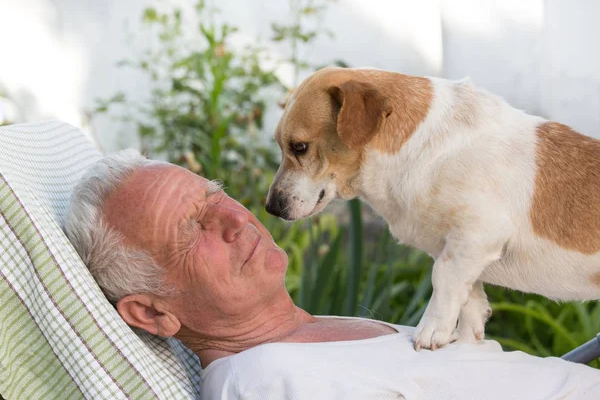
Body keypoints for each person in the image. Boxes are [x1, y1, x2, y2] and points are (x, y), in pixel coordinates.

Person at [64, 150, 600, 400]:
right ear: (153, 312)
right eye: (192, 228)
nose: (235, 217)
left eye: (215, 194)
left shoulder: (306, 336)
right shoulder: (265, 381)